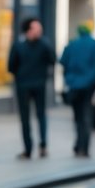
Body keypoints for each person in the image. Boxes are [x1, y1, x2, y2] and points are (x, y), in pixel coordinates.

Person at [59, 23, 95, 158]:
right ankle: (84, 147)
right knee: (86, 116)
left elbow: (63, 62)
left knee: (77, 116)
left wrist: (69, 79)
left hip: (74, 86)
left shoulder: (72, 45)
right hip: (90, 86)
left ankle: (79, 145)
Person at [8, 17, 56, 159]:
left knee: (41, 115)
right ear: (28, 30)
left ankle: (43, 145)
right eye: (37, 29)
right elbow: (11, 65)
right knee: (25, 118)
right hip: (23, 86)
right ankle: (28, 148)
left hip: (39, 85)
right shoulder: (18, 45)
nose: (39, 31)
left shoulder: (44, 44)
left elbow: (53, 59)